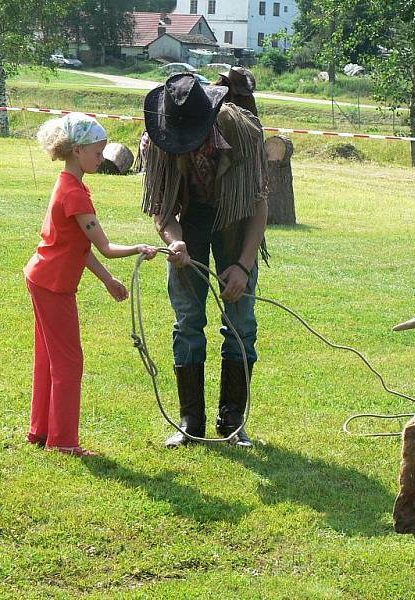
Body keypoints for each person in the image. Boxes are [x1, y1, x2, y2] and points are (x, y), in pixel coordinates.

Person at [141, 73, 268, 448]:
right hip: (190, 220)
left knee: (241, 324)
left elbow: (259, 206)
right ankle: (189, 423)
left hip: (237, 218)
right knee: (188, 321)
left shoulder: (244, 133)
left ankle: (233, 422)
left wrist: (243, 266)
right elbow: (162, 209)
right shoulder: (159, 142)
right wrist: (176, 243)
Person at [24, 113, 157, 457]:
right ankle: (64, 441)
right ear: (78, 150)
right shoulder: (76, 195)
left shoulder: (69, 184)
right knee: (69, 362)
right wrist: (141, 248)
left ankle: (41, 431)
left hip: (42, 277)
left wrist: (108, 280)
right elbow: (106, 248)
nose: (102, 159)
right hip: (53, 285)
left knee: (49, 358)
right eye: (98, 153)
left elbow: (77, 247)